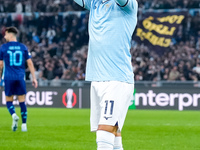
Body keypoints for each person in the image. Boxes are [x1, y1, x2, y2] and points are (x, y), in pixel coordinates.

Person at [74, 0, 138, 150]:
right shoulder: (95, 3)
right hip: (97, 78)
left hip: (117, 79)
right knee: (114, 133)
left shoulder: (128, 5)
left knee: (104, 132)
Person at [0, 27, 38, 132]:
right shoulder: (23, 47)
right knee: (22, 101)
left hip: (8, 77)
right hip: (20, 77)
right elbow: (29, 63)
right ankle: (24, 125)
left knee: (8, 101)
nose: (4, 36)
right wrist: (34, 78)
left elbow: (1, 64)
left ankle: (13, 115)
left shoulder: (3, 47)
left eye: (6, 34)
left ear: (10, 35)